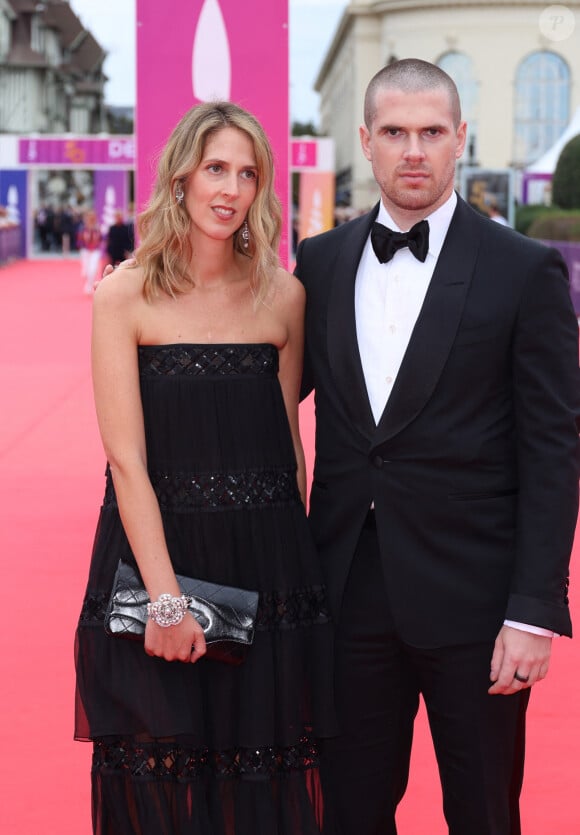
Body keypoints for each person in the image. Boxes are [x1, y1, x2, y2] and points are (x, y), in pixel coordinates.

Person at [294, 58, 579, 835]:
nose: (412, 149)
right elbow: (264, 399)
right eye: (394, 132)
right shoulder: (320, 264)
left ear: (460, 139)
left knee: (483, 815)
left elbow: (554, 449)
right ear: (366, 141)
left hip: (478, 606)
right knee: (346, 812)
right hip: (348, 593)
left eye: (430, 132)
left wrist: (534, 609)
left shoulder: (524, 271)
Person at [74, 101, 335, 835]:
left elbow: (287, 443)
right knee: (163, 779)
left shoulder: (282, 295)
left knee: (262, 776)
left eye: (247, 173)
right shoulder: (126, 293)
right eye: (215, 168)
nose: (229, 189)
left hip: (267, 564)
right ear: (180, 175)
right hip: (159, 558)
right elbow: (125, 460)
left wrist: (296, 569)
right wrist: (164, 599)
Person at [77, 209, 103, 294]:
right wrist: (82, 248)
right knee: (86, 271)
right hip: (85, 251)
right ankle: (88, 283)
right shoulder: (83, 227)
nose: (91, 219)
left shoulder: (98, 227)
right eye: (89, 217)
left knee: (93, 269)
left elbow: (101, 239)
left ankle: (90, 284)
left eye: (93, 217)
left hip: (95, 251)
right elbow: (79, 239)